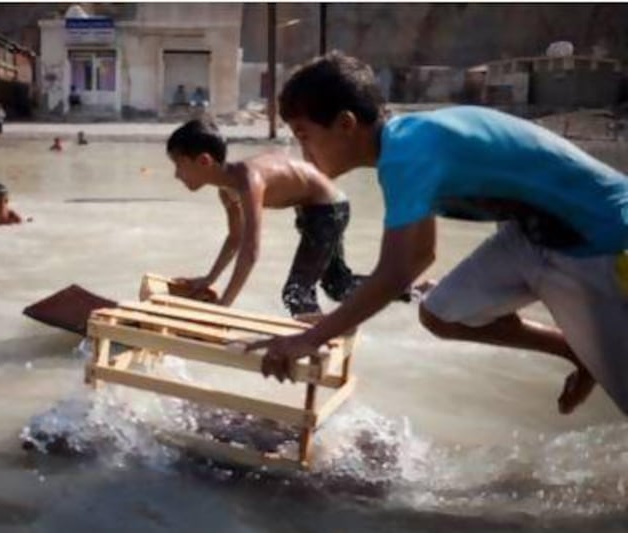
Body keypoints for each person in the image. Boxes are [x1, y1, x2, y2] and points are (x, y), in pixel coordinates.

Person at [249, 51, 628, 416]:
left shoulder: (407, 152)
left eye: (304, 135)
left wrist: (312, 337)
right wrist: (333, 324)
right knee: (442, 313)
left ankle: (593, 353)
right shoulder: (405, 145)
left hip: (598, 237)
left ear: (346, 124)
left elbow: (396, 271)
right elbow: (420, 256)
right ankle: (576, 351)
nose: (303, 152)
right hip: (532, 235)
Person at [167, 118, 388, 317]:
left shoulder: (247, 181)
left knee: (296, 294)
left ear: (204, 161)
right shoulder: (227, 190)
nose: (176, 175)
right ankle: (402, 287)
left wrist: (225, 306)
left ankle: (315, 344)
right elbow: (236, 238)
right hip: (314, 209)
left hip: (328, 209)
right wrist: (209, 279)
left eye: (179, 165)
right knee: (338, 286)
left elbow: (250, 250)